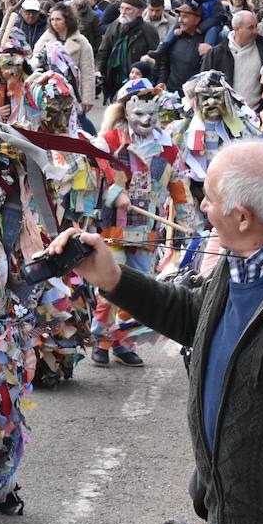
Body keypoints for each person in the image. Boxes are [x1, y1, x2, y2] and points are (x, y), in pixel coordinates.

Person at [50, 140, 263, 524]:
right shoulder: (249, 257)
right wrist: (111, 277)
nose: (202, 207)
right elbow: (195, 316)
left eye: (209, 199)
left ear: (244, 216)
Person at [90, 79, 190, 368]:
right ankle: (102, 340)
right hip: (114, 229)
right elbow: (93, 169)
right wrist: (114, 191)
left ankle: (123, 342)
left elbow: (179, 187)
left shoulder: (168, 148)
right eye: (139, 113)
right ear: (125, 111)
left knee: (137, 289)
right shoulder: (109, 142)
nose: (146, 120)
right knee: (111, 281)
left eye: (151, 114)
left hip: (147, 232)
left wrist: (186, 223)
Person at [33, 3, 100, 117]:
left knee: (79, 123)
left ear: (68, 20)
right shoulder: (45, 38)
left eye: (58, 19)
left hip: (71, 92)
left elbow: (87, 72)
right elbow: (34, 61)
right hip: (48, 91)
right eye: (52, 19)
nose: (55, 22)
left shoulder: (81, 42)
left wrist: (87, 99)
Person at [200, 10, 263, 107]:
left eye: (256, 27)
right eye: (250, 28)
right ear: (236, 28)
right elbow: (203, 84)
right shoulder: (216, 54)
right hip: (224, 115)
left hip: (255, 114)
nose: (255, 31)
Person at [97, 0, 160, 102]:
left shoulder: (148, 30)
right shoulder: (115, 26)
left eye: (128, 9)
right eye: (121, 8)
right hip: (113, 77)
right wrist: (99, 69)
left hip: (136, 80)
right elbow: (104, 50)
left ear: (139, 12)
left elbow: (155, 58)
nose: (123, 12)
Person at [153, 0, 205, 91]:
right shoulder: (175, 38)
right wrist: (162, 81)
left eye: (185, 17)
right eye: (179, 16)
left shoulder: (205, 43)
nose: (180, 20)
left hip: (195, 96)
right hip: (172, 93)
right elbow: (164, 63)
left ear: (197, 20)